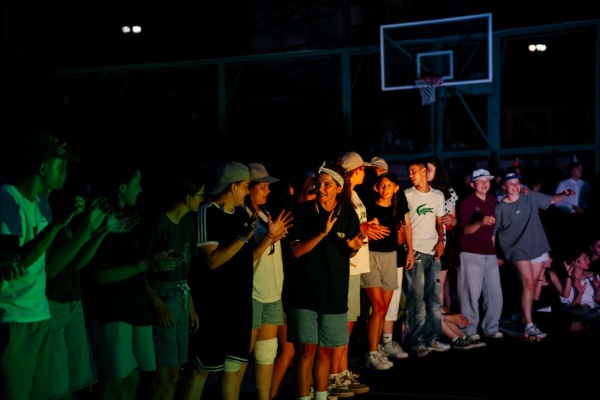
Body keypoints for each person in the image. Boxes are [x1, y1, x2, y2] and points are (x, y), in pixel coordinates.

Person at [181, 161, 285, 400]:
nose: (248, 191)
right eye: (247, 186)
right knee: (202, 368)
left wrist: (269, 237)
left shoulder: (240, 214)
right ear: (233, 187)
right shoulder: (208, 211)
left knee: (233, 367)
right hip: (214, 305)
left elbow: (247, 257)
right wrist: (242, 237)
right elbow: (212, 260)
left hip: (239, 304)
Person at [0, 131, 89, 400]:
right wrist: (58, 224)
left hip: (40, 314)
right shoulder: (7, 198)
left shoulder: (42, 204)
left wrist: (91, 230)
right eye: (60, 165)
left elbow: (47, 266)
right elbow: (19, 260)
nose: (65, 171)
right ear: (41, 167)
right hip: (14, 318)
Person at [81, 157, 179, 400]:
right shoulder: (102, 218)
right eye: (137, 183)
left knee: (133, 378)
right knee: (113, 382)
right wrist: (145, 264)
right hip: (112, 311)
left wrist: (154, 264)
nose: (141, 189)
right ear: (121, 186)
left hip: (135, 308)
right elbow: (97, 275)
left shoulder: (127, 216)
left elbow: (135, 266)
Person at [285, 161, 364, 400]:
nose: (321, 189)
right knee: (306, 350)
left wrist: (353, 247)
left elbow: (350, 250)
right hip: (304, 292)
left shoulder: (348, 214)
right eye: (319, 184)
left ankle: (321, 396)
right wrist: (321, 233)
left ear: (339, 188)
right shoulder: (302, 212)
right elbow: (296, 251)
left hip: (334, 292)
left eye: (327, 185)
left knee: (326, 351)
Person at [138, 171, 204, 400]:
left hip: (180, 296)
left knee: (174, 373)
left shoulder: (186, 222)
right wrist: (157, 304)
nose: (202, 200)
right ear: (187, 197)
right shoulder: (158, 223)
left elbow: (183, 269)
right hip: (162, 294)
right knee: (161, 374)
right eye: (199, 195)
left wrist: (191, 306)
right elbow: (140, 270)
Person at [493, 169, 577, 339]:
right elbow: (493, 233)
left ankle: (526, 320)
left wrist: (565, 194)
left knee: (532, 287)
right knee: (529, 283)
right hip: (516, 250)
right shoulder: (500, 207)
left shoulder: (529, 196)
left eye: (517, 183)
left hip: (536, 246)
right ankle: (529, 325)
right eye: (511, 184)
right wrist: (491, 254)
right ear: (504, 187)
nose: (515, 186)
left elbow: (551, 200)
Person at [328, 151, 380, 396]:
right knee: (344, 322)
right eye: (362, 169)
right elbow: (339, 227)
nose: (365, 173)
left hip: (357, 262)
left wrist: (369, 228)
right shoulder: (342, 196)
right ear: (355, 171)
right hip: (347, 264)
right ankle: (333, 375)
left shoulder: (355, 194)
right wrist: (363, 228)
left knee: (350, 320)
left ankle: (342, 370)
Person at [242, 163, 292, 400]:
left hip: (272, 292)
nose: (267, 191)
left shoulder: (264, 213)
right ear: (247, 188)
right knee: (241, 355)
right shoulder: (242, 216)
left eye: (267, 186)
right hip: (252, 292)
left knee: (267, 353)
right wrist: (270, 237)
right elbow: (243, 260)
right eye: (262, 186)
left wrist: (275, 235)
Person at [362, 172, 411, 367]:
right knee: (379, 307)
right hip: (371, 257)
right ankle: (371, 353)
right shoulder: (369, 207)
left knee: (383, 310)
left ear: (396, 188)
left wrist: (400, 233)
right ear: (377, 187)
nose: (385, 189)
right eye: (382, 185)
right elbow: (364, 234)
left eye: (389, 185)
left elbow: (399, 241)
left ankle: (377, 349)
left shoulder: (397, 209)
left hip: (391, 258)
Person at [403, 158, 449, 357]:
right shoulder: (407, 195)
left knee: (434, 300)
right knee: (417, 300)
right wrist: (409, 250)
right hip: (416, 251)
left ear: (423, 171)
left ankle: (432, 339)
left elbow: (439, 223)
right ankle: (416, 342)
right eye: (409, 172)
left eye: (413, 171)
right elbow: (405, 224)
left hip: (433, 252)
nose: (410, 175)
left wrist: (441, 243)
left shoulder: (438, 196)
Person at [457, 169, 503, 341]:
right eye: (481, 181)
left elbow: (494, 232)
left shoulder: (492, 201)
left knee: (495, 294)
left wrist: (493, 253)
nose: (485, 184)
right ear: (473, 184)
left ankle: (491, 327)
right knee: (470, 295)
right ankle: (469, 330)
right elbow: (465, 230)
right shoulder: (467, 203)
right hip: (470, 254)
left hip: (489, 254)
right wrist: (480, 221)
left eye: (487, 181)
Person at [426, 157, 460, 312]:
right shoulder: (420, 191)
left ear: (438, 172)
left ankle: (438, 320)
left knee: (440, 282)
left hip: (445, 239)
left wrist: (451, 219)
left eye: (429, 170)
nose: (426, 172)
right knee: (427, 283)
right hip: (426, 238)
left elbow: (455, 221)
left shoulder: (449, 192)